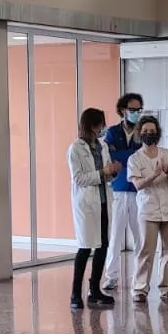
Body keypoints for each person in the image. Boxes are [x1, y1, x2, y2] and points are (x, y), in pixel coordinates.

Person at [126, 116, 168, 304]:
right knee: (146, 250)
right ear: (139, 133)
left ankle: (166, 288)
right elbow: (138, 184)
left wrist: (167, 171)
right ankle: (140, 289)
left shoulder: (167, 154)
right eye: (145, 131)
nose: (149, 134)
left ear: (157, 133)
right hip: (148, 209)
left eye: (152, 131)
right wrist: (155, 174)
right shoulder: (135, 158)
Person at [68, 108, 118, 310]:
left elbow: (106, 174)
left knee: (103, 245)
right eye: (99, 125)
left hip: (104, 201)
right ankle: (75, 293)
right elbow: (78, 178)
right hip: (87, 204)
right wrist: (101, 173)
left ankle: (94, 290)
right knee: (85, 247)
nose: (102, 129)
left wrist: (112, 172)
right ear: (90, 125)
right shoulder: (76, 148)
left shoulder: (102, 146)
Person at [101, 93, 145, 293]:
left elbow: (143, 157)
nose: (136, 113)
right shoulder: (113, 132)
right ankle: (111, 277)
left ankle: (140, 278)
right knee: (115, 236)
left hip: (138, 190)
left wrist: (126, 156)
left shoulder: (143, 132)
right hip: (118, 189)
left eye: (138, 110)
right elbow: (112, 156)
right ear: (123, 111)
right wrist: (132, 155)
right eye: (132, 110)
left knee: (140, 237)